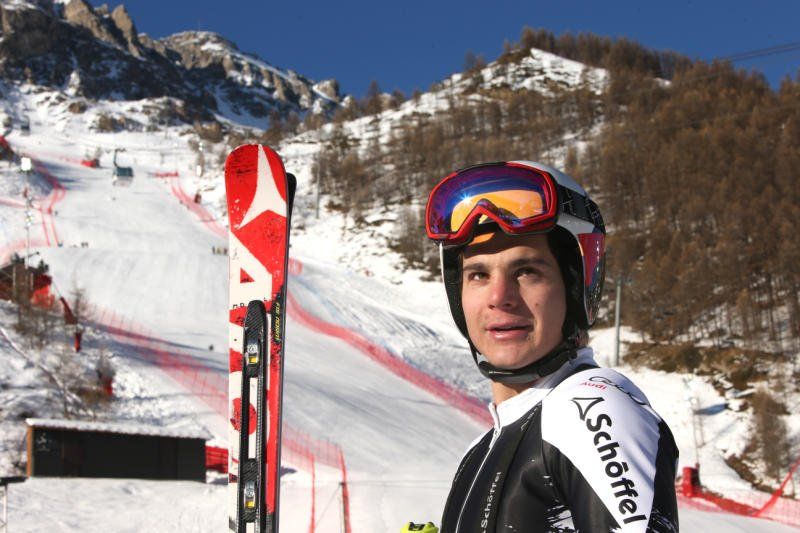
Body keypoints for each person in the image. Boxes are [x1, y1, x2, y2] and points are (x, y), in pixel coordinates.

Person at [424, 161, 679, 532]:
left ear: (575, 287)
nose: (499, 297)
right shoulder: (479, 450)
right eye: (478, 274)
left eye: (527, 272)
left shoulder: (589, 409)